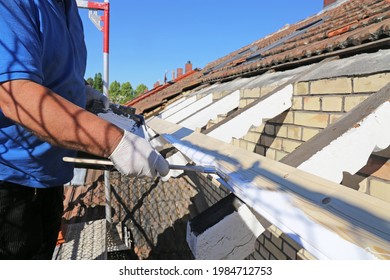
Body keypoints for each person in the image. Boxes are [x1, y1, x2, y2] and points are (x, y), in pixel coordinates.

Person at [0, 0, 169, 259]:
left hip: (50, 175)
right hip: (10, 180)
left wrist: (82, 93)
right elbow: (15, 95)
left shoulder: (69, 11)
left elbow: (54, 75)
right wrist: (113, 142)